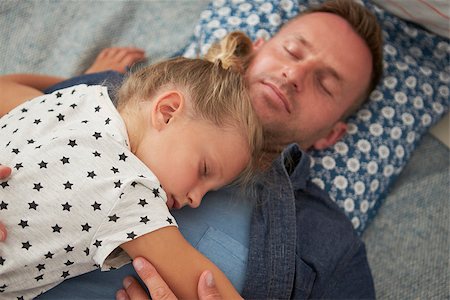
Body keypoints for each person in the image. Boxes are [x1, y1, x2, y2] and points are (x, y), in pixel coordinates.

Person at [1, 0, 384, 298]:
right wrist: (80, 79)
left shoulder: (332, 247)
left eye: (326, 84)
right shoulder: (115, 98)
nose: (294, 75)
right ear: (260, 48)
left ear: (332, 135)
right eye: (293, 52)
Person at [0, 54, 266, 299]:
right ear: (168, 111)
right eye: (204, 170)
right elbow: (200, 283)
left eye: (208, 191)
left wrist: (73, 78)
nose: (196, 200)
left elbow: (6, 85)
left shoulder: (80, 97)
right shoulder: (126, 188)